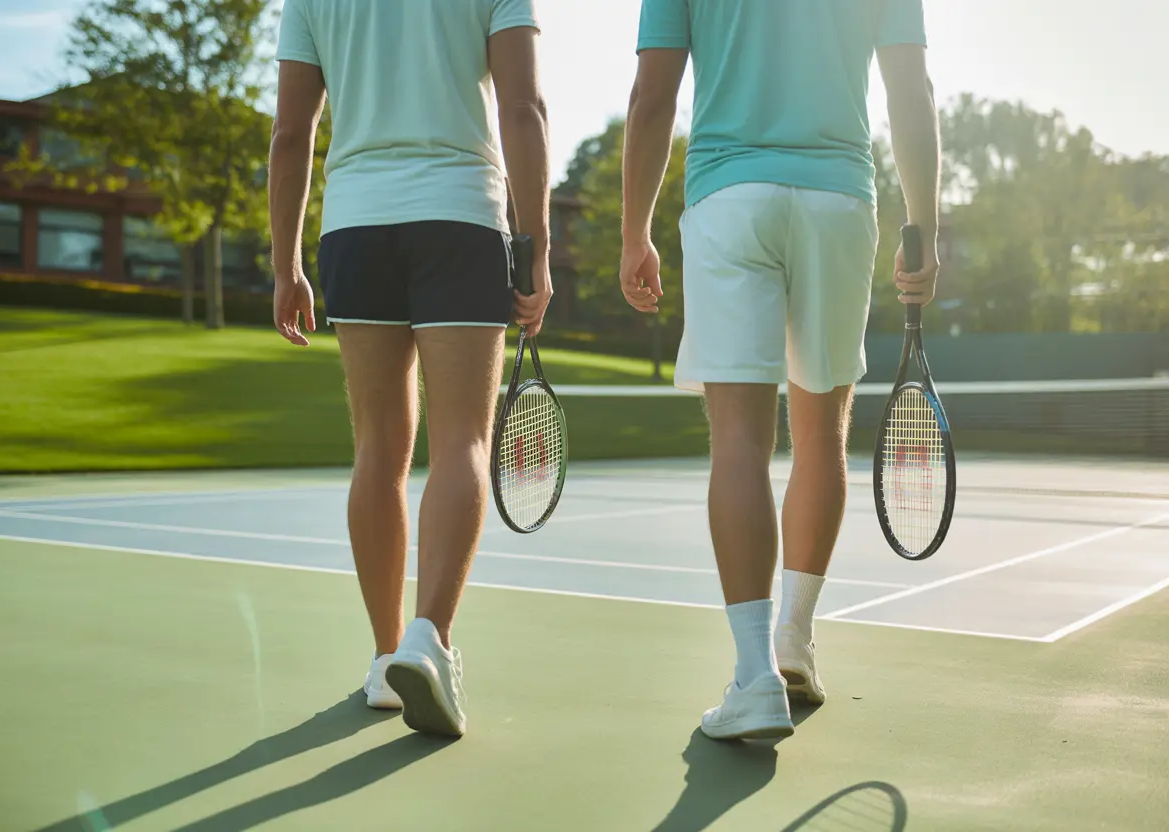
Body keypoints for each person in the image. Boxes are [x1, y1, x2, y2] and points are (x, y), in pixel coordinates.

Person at [620, 0, 941, 739]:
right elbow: (910, 90)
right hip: (838, 202)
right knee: (820, 435)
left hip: (729, 200)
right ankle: (793, 638)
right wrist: (920, 226)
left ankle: (755, 674)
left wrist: (635, 231)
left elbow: (652, 96)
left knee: (739, 440)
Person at [268, 0, 552, 738]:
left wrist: (284, 265)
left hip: (356, 226)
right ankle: (429, 639)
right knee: (461, 439)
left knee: (378, 450)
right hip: (458, 214)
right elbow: (523, 109)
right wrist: (536, 248)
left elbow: (290, 133)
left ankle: (387, 655)